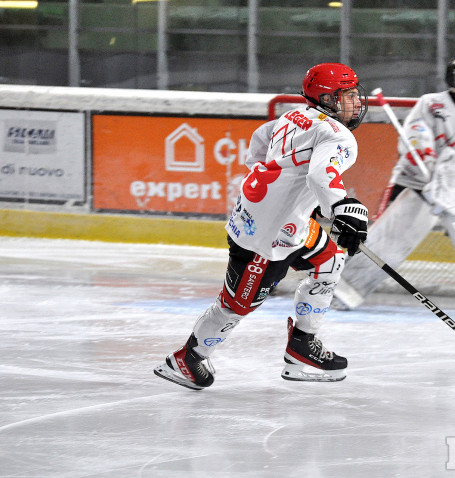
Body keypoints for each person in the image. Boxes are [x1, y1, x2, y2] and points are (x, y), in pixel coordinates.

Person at [154, 63, 369, 387]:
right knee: (236, 306)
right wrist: (341, 208)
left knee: (330, 259)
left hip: (281, 224)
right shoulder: (339, 135)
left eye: (355, 94)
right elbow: (319, 174)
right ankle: (187, 359)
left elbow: (258, 147)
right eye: (348, 95)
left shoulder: (293, 116)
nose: (356, 102)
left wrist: (292, 201)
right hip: (264, 239)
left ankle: (301, 345)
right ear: (327, 99)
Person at [333, 50, 455, 311]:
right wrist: (431, 169)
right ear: (454, 79)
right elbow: (416, 138)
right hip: (419, 181)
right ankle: (345, 290)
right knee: (392, 238)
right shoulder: (431, 105)